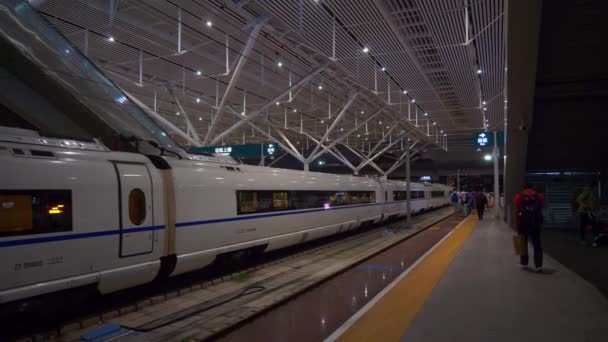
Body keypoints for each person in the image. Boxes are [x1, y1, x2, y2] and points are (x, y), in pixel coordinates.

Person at [514, 183, 545, 272]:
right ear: (532, 187)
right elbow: (541, 207)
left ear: (523, 188)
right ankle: (538, 266)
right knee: (537, 244)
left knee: (521, 242)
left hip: (522, 223)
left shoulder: (519, 196)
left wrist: (517, 223)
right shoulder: (539, 196)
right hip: (535, 223)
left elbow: (517, 209)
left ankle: (523, 263)